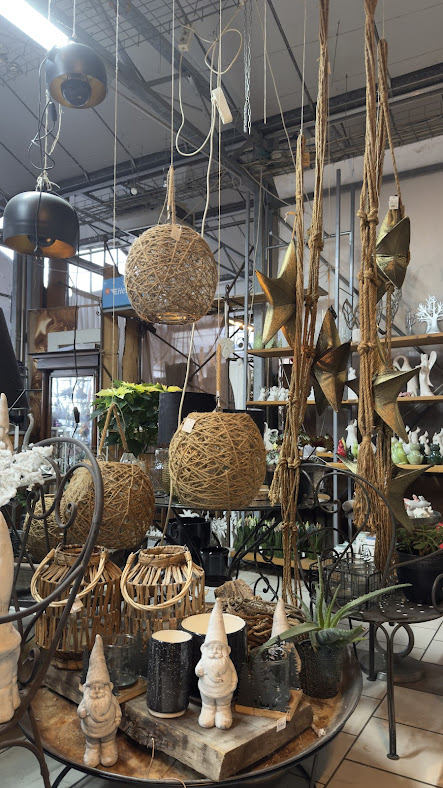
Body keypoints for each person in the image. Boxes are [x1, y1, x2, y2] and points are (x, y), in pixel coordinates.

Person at [77, 635, 121, 768]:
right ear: (86, 688)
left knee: (108, 740)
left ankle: (108, 748)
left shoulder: (111, 700)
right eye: (93, 688)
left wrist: (117, 718)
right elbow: (80, 710)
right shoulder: (86, 700)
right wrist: (81, 712)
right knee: (92, 742)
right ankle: (92, 749)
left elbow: (117, 710)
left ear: (109, 687)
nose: (96, 691)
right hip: (90, 732)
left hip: (109, 730)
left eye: (100, 687)